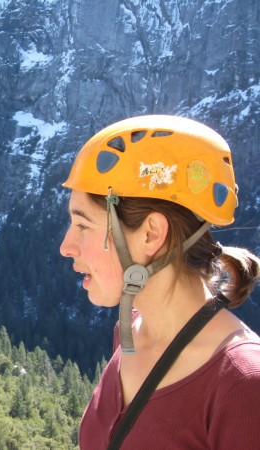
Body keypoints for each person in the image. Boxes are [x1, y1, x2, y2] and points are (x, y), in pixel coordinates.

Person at [59, 115, 260, 449]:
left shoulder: (243, 384)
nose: (66, 247)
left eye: (83, 226)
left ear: (151, 234)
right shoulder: (131, 334)